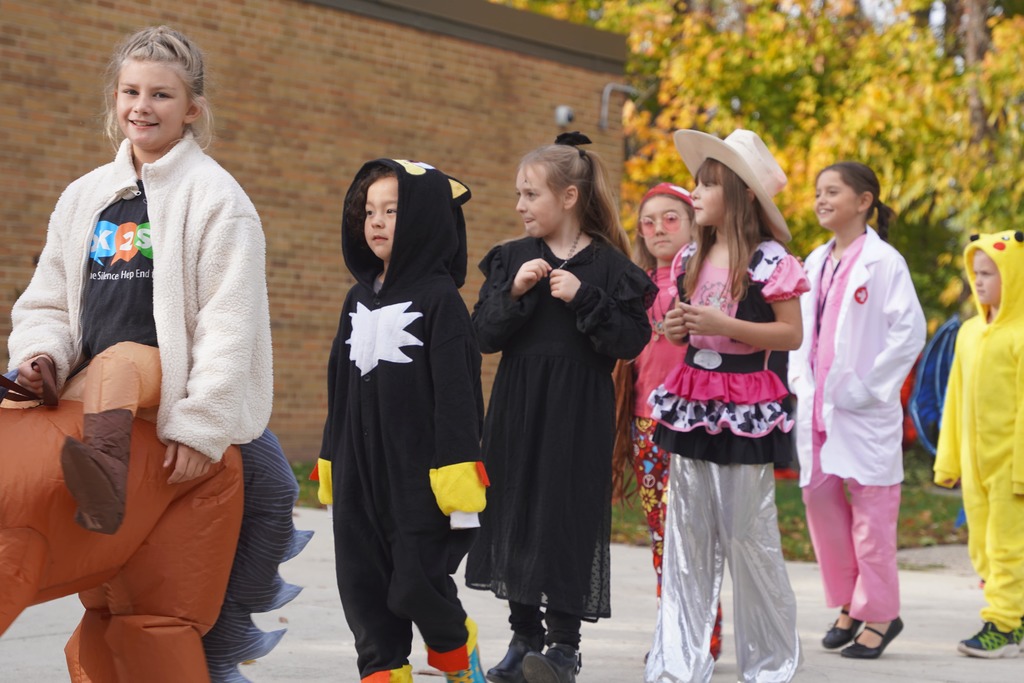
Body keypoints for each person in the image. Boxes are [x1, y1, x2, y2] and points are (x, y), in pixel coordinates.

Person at [5, 25, 273, 680]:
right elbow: (46, 302)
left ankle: (104, 470)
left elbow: (228, 323)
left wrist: (202, 427)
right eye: (131, 91)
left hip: (162, 381)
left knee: (126, 357)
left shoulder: (217, 200)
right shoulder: (85, 197)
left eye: (161, 94)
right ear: (115, 98)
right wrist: (41, 354)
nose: (142, 106)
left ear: (192, 109)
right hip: (90, 386)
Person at [466, 132, 655, 683]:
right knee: (516, 513)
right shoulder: (510, 259)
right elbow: (482, 335)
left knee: (567, 518)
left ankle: (563, 649)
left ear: (569, 197)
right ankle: (523, 637)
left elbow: (629, 342)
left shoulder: (613, 270)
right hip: (519, 405)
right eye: (519, 195)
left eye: (531, 195)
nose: (520, 206)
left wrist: (585, 298)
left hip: (579, 412)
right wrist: (515, 295)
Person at [644, 129, 807, 683]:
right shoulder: (692, 254)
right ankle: (678, 664)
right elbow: (683, 330)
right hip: (693, 398)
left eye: (708, 184)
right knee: (686, 538)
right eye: (697, 181)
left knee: (748, 537)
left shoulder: (770, 260)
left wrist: (725, 325)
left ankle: (770, 665)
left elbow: (789, 335)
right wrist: (676, 327)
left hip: (746, 403)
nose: (696, 193)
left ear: (738, 194)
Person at [317, 158, 488, 683]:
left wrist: (458, 470)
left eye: (392, 210)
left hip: (420, 475)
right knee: (363, 585)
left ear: (425, 220)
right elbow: (338, 385)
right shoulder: (357, 298)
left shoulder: (441, 301)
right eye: (369, 210)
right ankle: (384, 669)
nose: (376, 221)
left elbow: (459, 396)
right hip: (358, 472)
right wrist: (330, 457)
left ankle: (456, 647)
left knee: (416, 583)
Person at [789, 162, 926, 660]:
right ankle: (849, 602)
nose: (821, 200)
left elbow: (909, 331)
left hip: (862, 411)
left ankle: (882, 614)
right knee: (820, 503)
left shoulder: (885, 262)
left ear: (864, 200)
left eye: (832, 191)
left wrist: (871, 389)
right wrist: (800, 381)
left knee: (871, 516)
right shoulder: (814, 259)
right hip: (818, 408)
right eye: (817, 192)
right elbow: (802, 330)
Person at [934, 230, 1024, 658]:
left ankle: (1003, 626)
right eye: (976, 273)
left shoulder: (1021, 335)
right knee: (983, 548)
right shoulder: (969, 333)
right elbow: (956, 399)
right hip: (975, 468)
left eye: (990, 273)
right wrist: (948, 461)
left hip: (1011, 468)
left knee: (1009, 547)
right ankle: (1016, 616)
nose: (980, 281)